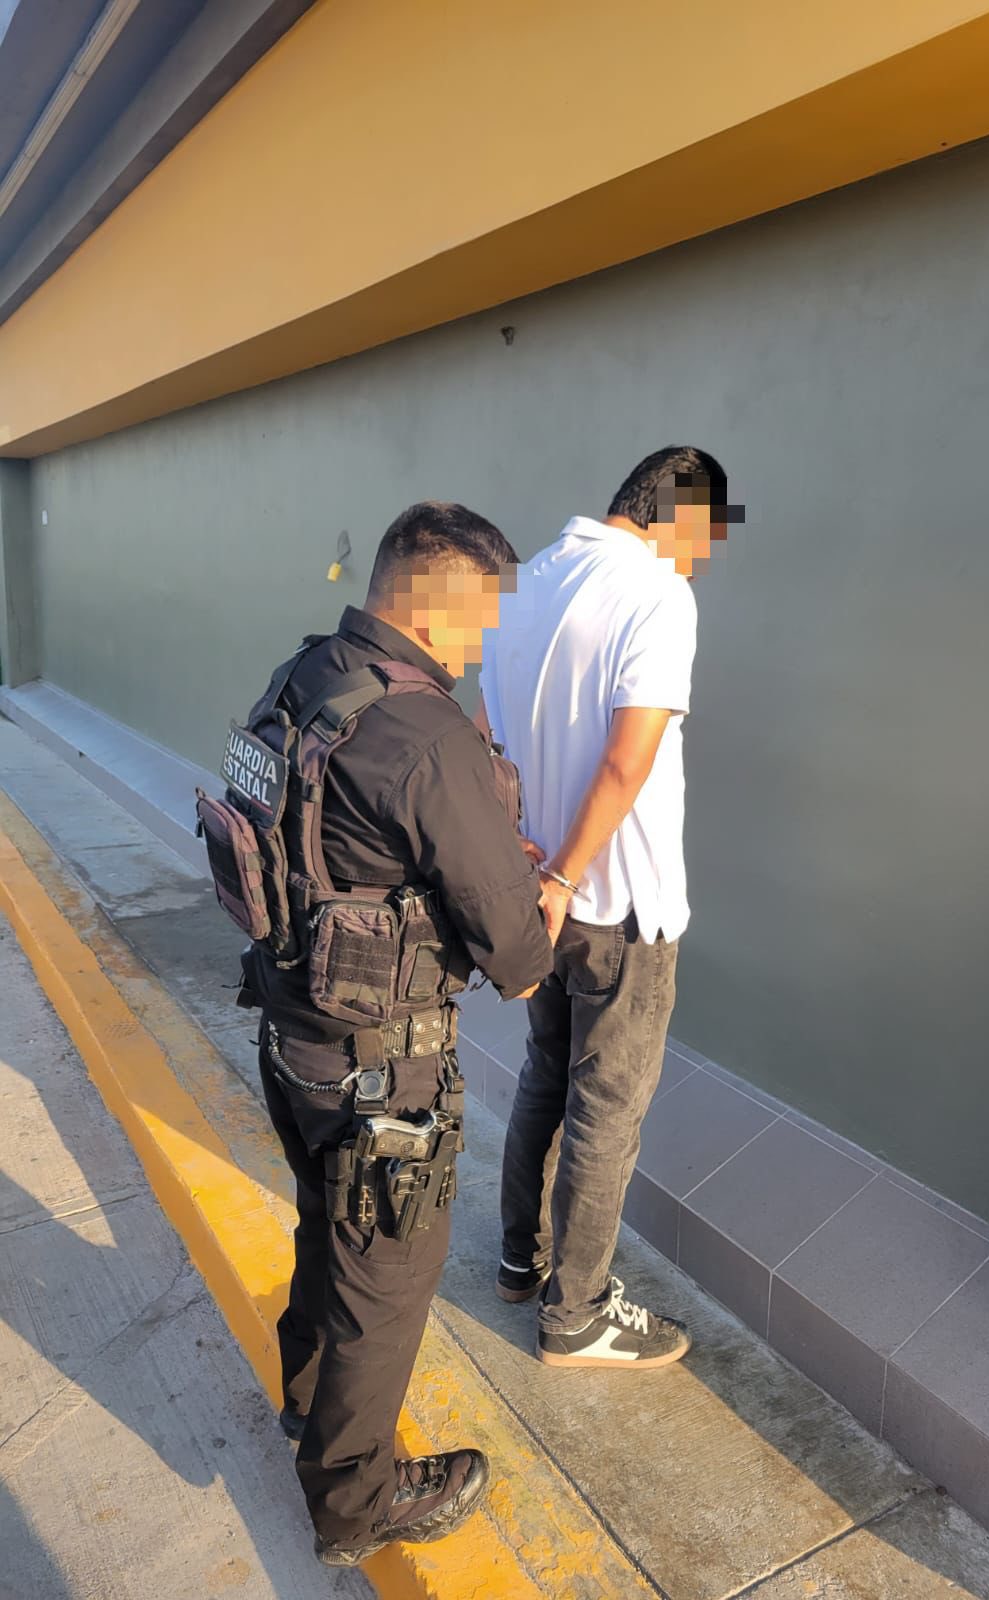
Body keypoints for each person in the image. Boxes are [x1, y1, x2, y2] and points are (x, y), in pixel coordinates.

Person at [211, 503, 552, 1567]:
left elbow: (311, 843)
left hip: (290, 1036)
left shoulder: (301, 678)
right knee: (387, 1283)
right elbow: (517, 955)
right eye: (483, 617)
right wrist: (545, 896)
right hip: (383, 1069)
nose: (480, 645)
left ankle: (306, 1404)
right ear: (443, 600)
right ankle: (354, 1502)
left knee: (328, 1228)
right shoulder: (430, 734)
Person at [478, 445, 740, 1368]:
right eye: (706, 536)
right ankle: (577, 1314)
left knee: (547, 1072)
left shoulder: (524, 586)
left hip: (542, 896)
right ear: (682, 516)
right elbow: (628, 761)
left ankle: (520, 1260)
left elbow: (488, 743)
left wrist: (534, 869)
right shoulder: (659, 593)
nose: (702, 558)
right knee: (607, 1106)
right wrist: (565, 876)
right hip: (619, 903)